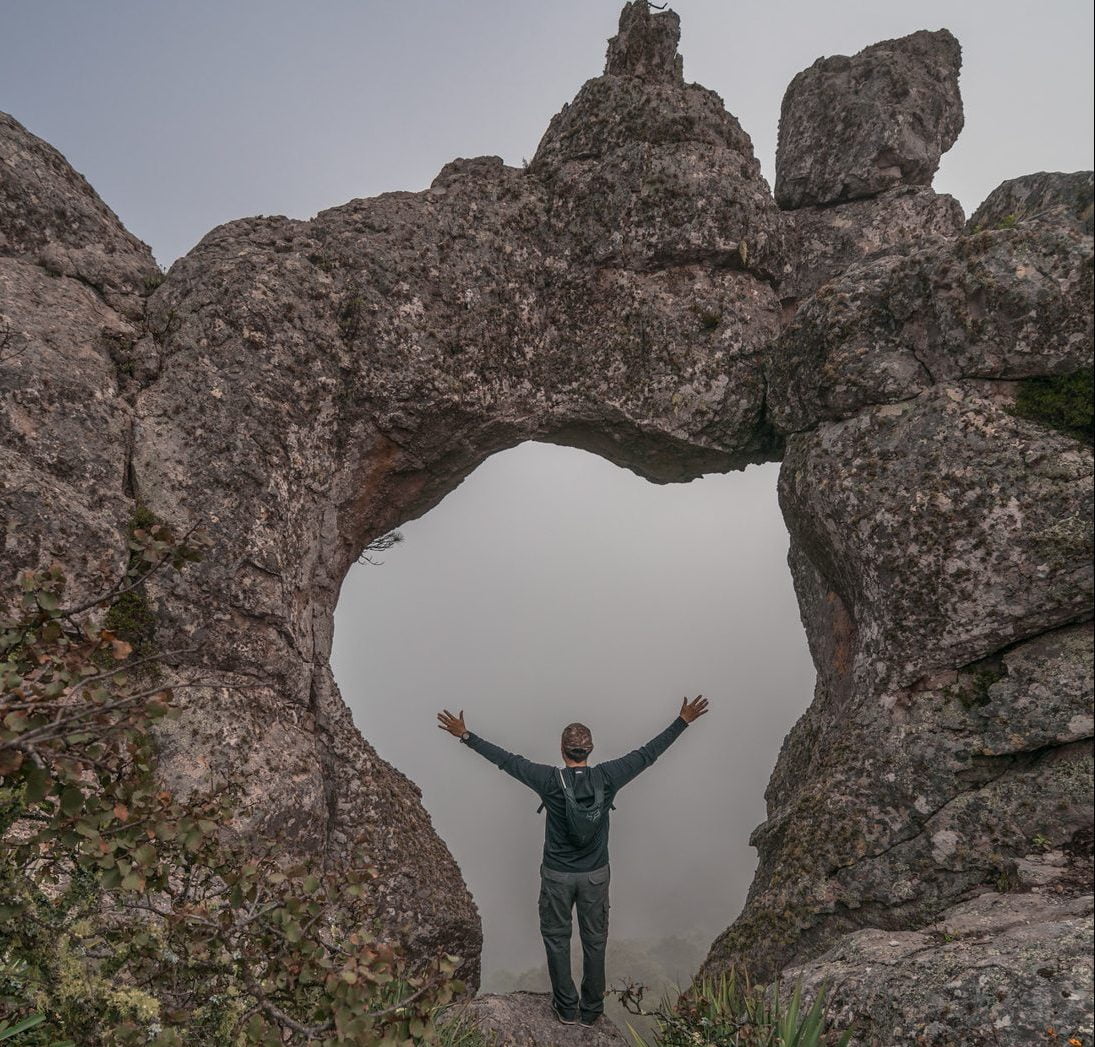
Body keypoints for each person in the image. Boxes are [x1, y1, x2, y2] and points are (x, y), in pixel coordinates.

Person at [436, 695, 709, 1028]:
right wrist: (682, 721)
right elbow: (648, 754)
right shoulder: (609, 776)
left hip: (557, 876)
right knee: (595, 942)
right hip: (595, 876)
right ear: (590, 750)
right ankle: (591, 1011)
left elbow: (506, 761)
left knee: (557, 939)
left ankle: (566, 1010)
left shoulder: (549, 780)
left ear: (563, 750)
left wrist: (465, 735)